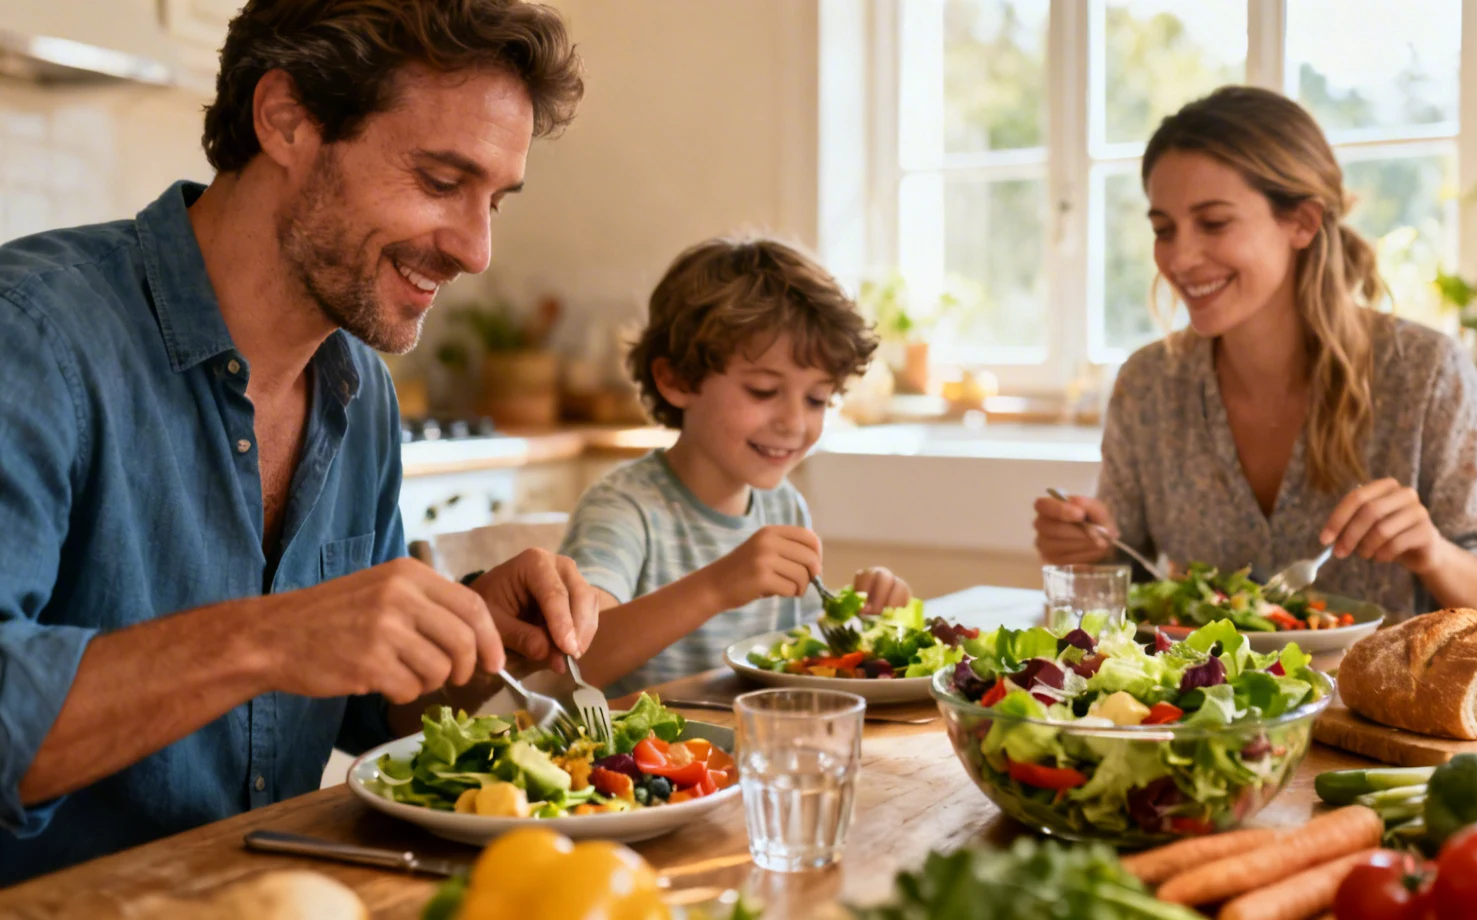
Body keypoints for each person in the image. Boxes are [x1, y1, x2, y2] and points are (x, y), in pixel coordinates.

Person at [0, 0, 601, 883]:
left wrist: (476, 640)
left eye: (495, 202)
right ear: (285, 119)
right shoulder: (32, 338)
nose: (477, 251)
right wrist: (271, 638)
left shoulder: (359, 391)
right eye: (441, 181)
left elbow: (365, 709)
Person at [1034, 86, 1477, 616]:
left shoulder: (1426, 372)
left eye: (1214, 223)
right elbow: (1132, 584)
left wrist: (1432, 553)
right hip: (1203, 676)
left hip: (1383, 674)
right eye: (1164, 230)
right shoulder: (1149, 384)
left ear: (1301, 222)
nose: (1179, 259)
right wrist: (1091, 551)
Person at [559, 237, 911, 696]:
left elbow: (794, 654)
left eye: (816, 399)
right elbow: (575, 662)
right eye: (764, 391)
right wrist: (716, 587)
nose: (794, 422)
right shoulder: (624, 508)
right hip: (642, 743)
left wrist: (860, 622)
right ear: (676, 379)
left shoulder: (783, 507)